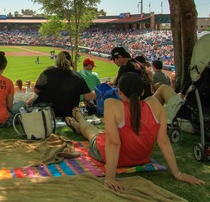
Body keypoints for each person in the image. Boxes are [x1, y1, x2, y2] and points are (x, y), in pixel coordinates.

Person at [64, 72, 204, 192]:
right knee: (98, 133)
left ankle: (79, 119)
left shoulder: (112, 105)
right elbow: (163, 142)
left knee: (92, 132)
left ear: (119, 91)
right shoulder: (154, 105)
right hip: (141, 158)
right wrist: (177, 173)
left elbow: (114, 143)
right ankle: (77, 122)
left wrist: (110, 178)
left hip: (108, 154)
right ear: (142, 92)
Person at [33, 51, 95, 118]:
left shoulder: (47, 73)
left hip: (47, 113)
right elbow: (88, 97)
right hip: (68, 114)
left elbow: (36, 90)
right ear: (70, 62)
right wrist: (98, 91)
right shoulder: (77, 77)